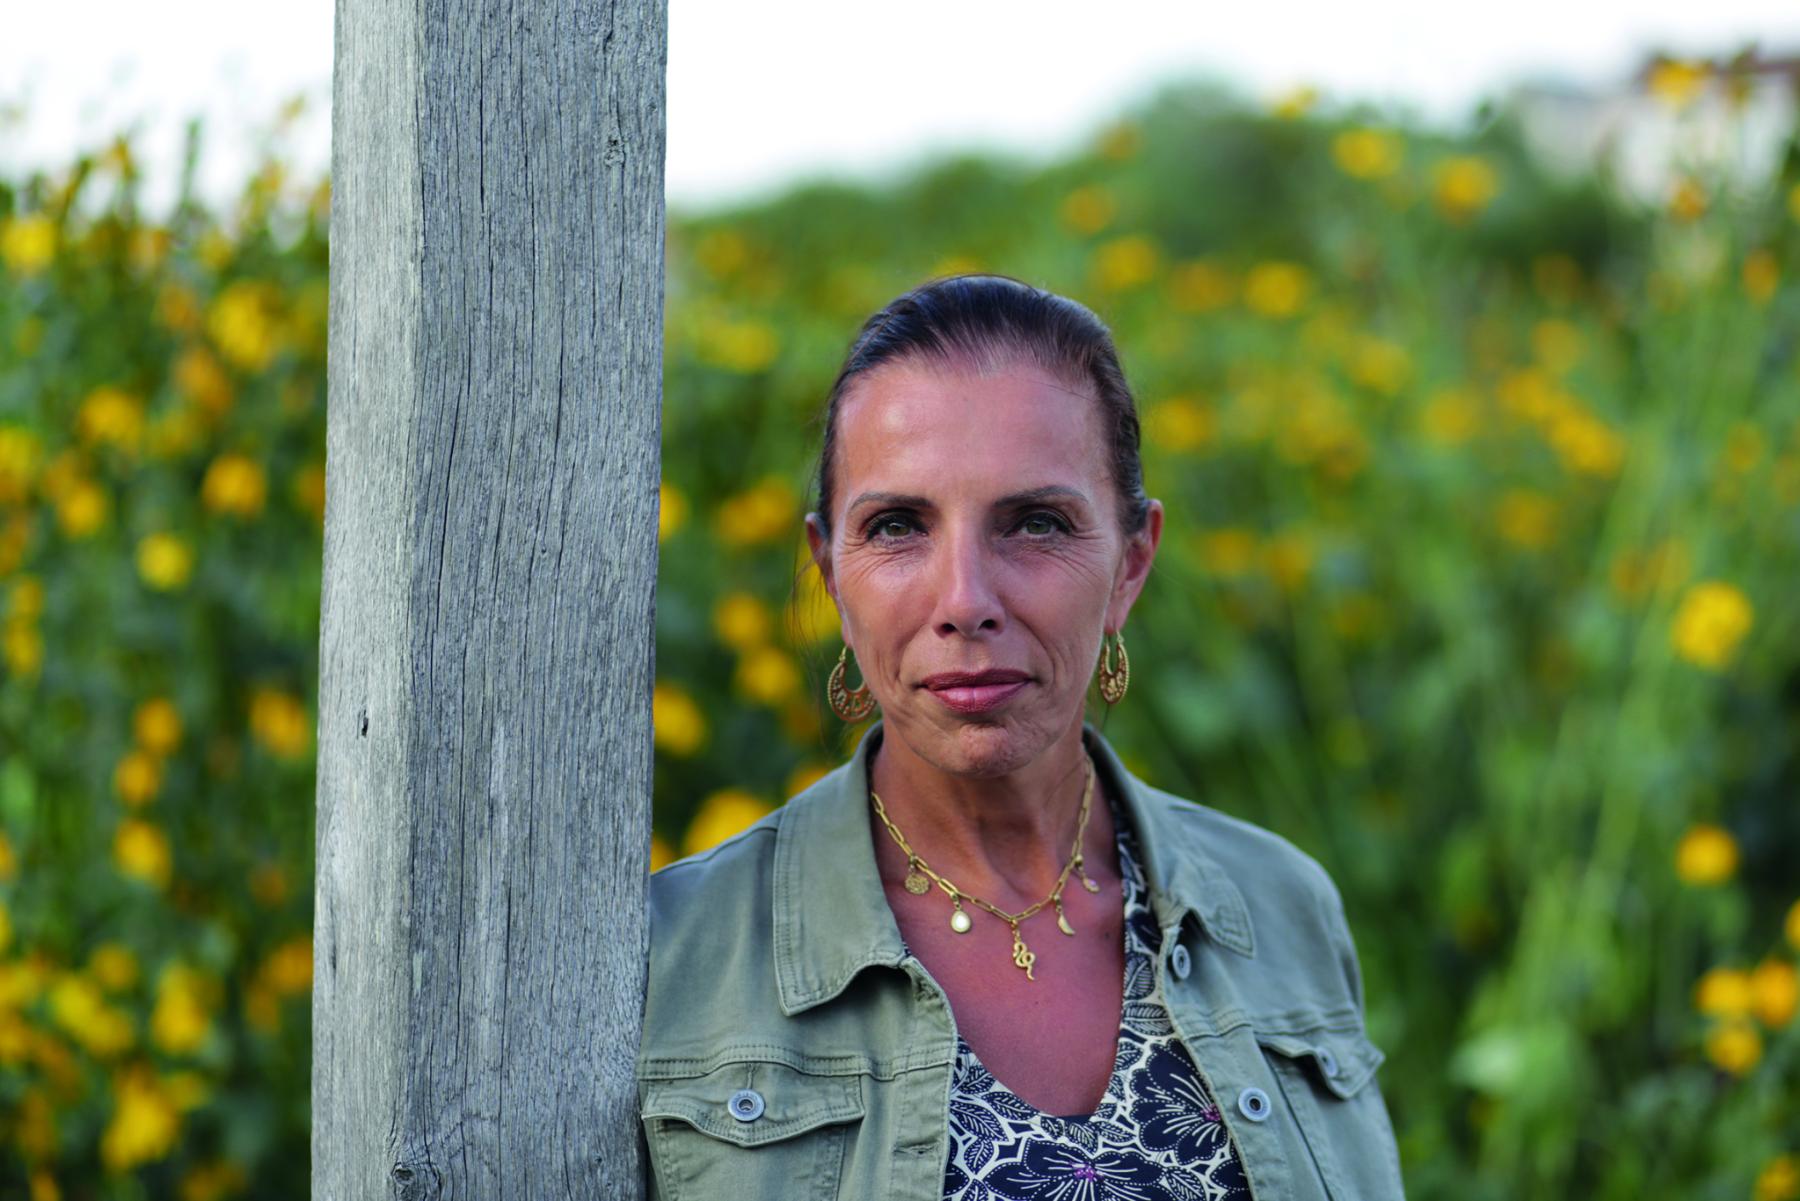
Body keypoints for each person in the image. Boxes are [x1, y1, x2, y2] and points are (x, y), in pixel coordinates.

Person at [636, 274, 1406, 1200]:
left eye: (1036, 523)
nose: (965, 600)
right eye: (897, 526)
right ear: (831, 573)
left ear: (1131, 563)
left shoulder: (1281, 906)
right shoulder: (671, 960)